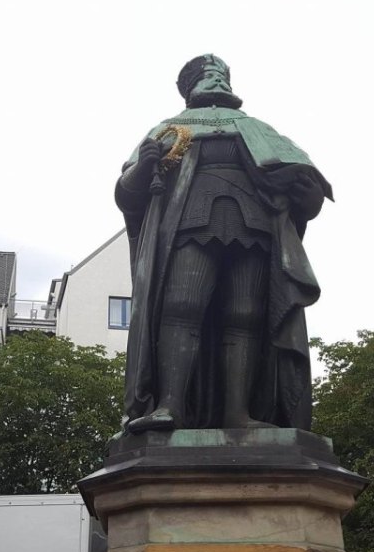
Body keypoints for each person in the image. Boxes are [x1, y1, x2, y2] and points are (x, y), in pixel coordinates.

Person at [116, 54, 332, 433]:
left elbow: (304, 195)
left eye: (221, 75)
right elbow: (128, 194)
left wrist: (309, 195)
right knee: (182, 306)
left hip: (254, 227)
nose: (216, 80)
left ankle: (238, 414)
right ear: (190, 88)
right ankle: (170, 406)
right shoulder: (168, 128)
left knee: (245, 314)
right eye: (207, 75)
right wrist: (143, 166)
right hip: (190, 222)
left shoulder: (260, 129)